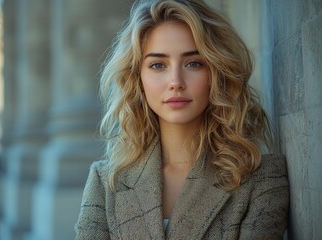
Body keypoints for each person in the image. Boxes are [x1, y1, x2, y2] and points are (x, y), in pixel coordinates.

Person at [75, 0, 289, 239]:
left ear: (217, 72)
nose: (175, 81)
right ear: (137, 78)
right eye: (158, 65)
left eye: (194, 63)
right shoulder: (106, 183)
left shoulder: (263, 178)